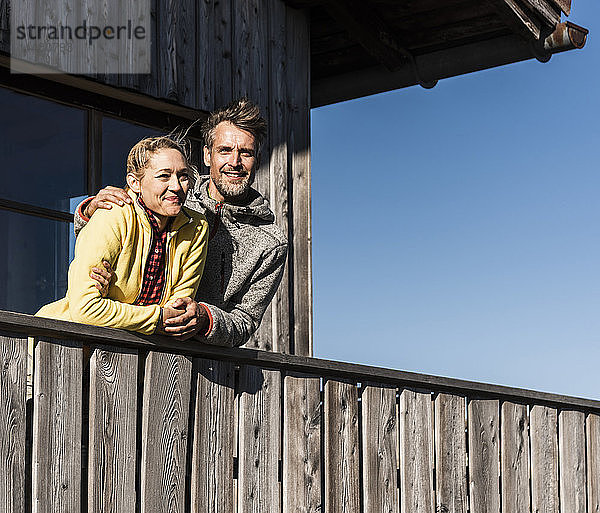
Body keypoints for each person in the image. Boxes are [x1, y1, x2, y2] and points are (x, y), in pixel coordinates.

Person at [75, 98, 288, 347]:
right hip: (117, 338)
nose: (235, 161)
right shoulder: (172, 197)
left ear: (257, 159)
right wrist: (91, 210)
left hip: (196, 362)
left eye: (246, 153)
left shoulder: (271, 243)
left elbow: (245, 321)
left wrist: (206, 319)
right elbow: (116, 231)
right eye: (225, 150)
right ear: (208, 155)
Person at [37, 135, 209, 333]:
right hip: (60, 341)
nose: (177, 186)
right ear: (135, 183)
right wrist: (157, 318)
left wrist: (113, 302)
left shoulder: (196, 227)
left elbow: (177, 316)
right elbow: (85, 309)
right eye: (164, 176)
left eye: (183, 176)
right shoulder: (114, 212)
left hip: (135, 356)